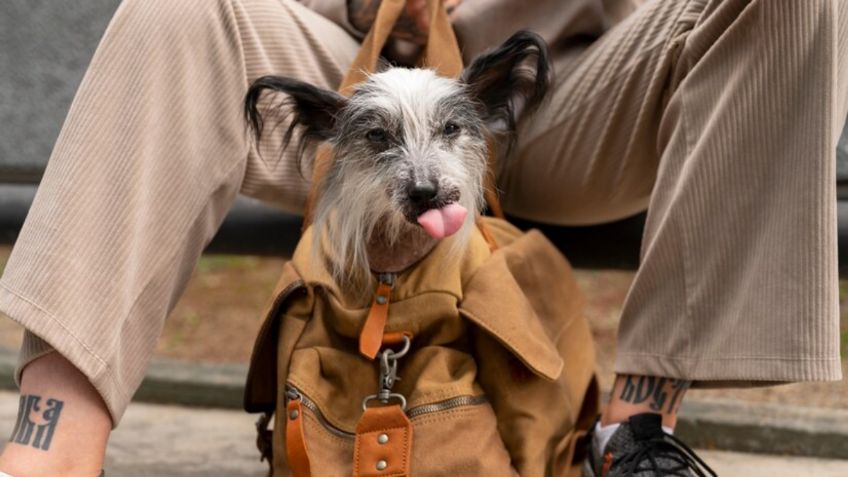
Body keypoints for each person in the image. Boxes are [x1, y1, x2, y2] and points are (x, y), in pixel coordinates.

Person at [0, 0, 845, 475]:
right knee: (173, 15)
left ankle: (632, 439)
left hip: (554, 87)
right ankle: (53, 440)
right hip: (354, 70)